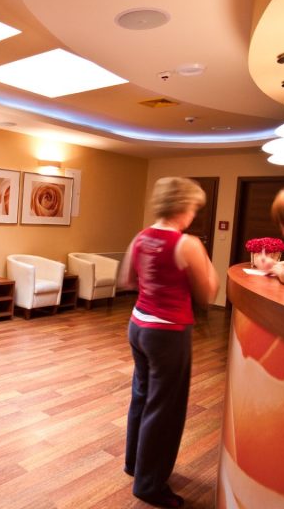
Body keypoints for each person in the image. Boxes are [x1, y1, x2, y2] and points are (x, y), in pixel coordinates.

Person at [118, 177, 219, 508]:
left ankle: (136, 465)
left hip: (138, 325)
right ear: (183, 208)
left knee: (142, 396)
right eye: (193, 208)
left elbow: (128, 280)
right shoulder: (187, 244)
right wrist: (208, 271)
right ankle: (149, 485)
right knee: (165, 409)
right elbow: (207, 295)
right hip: (168, 332)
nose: (193, 215)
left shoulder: (141, 235)